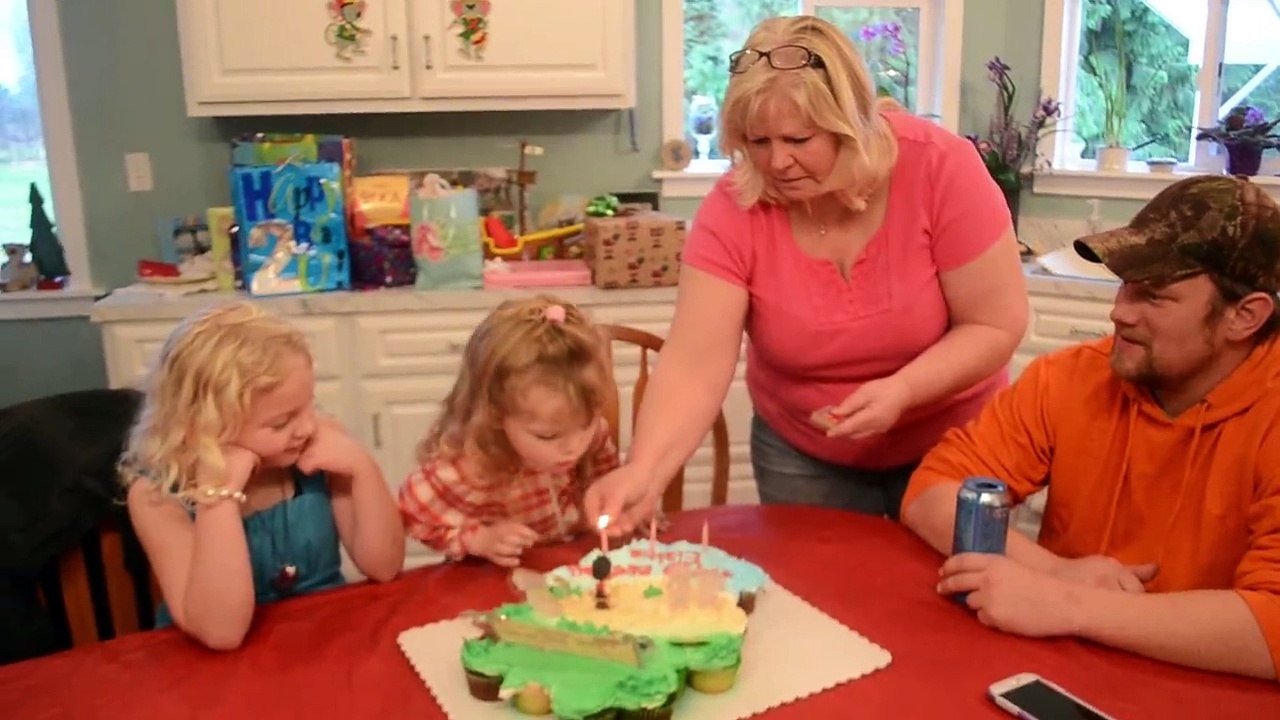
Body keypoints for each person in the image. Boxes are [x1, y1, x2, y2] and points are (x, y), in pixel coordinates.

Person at [586, 15, 1027, 531]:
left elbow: (996, 324)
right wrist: (645, 471)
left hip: (952, 441)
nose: (777, 162)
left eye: (799, 139)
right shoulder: (734, 208)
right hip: (804, 455)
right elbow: (693, 362)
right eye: (758, 142)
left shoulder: (940, 168)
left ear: (852, 123)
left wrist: (903, 391)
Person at [901, 175, 1280, 680]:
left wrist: (1068, 603)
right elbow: (931, 493)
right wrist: (1054, 571)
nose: (1119, 312)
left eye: (1154, 297)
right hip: (1063, 670)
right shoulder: (1070, 377)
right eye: (1124, 284)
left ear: (1245, 316)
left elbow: (1272, 629)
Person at [120, 302, 404, 650]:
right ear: (207, 426)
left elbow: (384, 567)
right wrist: (219, 496)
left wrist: (363, 468)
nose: (307, 427)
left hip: (326, 639)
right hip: (217, 667)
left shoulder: (313, 451)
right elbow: (222, 632)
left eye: (308, 405)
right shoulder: (157, 494)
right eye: (281, 422)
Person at [399, 295, 620, 568]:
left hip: (571, 571)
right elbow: (414, 516)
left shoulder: (593, 437)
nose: (573, 447)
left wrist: (618, 506)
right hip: (495, 583)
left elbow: (606, 485)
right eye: (548, 436)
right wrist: (479, 540)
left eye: (586, 424)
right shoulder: (468, 467)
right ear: (495, 413)